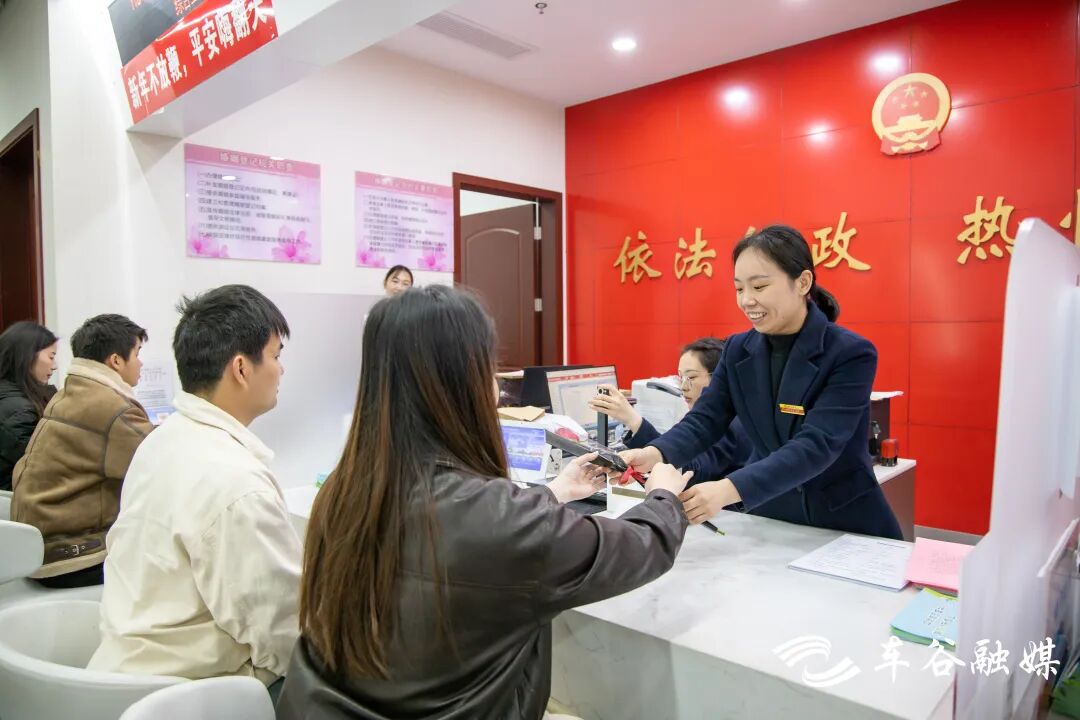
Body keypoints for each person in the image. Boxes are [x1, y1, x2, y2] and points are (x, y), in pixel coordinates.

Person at [276, 285, 692, 720]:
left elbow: (471, 525)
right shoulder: (499, 520)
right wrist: (664, 497)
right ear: (462, 382)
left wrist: (552, 493)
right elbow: (637, 548)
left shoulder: (345, 490)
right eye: (488, 368)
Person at [622, 225, 902, 539]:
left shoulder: (850, 353)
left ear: (803, 282)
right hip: (772, 514)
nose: (746, 300)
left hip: (844, 519)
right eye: (739, 288)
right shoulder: (737, 350)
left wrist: (727, 489)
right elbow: (705, 420)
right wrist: (653, 452)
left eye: (759, 286)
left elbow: (817, 444)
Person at [88, 285, 302, 696]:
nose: (281, 369)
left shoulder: (162, 440)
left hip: (123, 675)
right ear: (241, 368)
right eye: (276, 355)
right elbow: (285, 635)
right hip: (191, 694)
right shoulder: (236, 485)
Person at [12, 314, 153, 589]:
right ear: (115, 360)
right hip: (73, 556)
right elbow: (164, 467)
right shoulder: (112, 407)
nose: (141, 363)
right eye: (137, 353)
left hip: (42, 548)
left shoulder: (73, 393)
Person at [588, 336, 753, 486]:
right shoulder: (709, 420)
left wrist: (633, 420)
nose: (683, 387)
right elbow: (676, 449)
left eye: (691, 377)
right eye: (681, 378)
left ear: (719, 378)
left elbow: (690, 470)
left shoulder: (732, 424)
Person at [0, 321, 58, 491]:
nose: (55, 366)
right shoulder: (20, 412)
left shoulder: (13, 398)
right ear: (27, 356)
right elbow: (44, 467)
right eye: (51, 357)